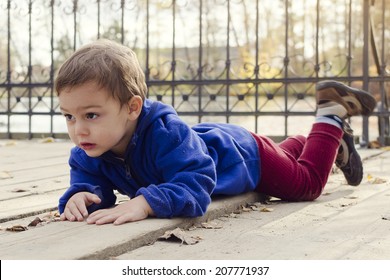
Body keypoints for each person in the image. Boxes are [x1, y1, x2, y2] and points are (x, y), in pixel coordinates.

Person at [55, 39, 377, 225]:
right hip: (217, 143)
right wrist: (82, 197)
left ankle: (330, 116)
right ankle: (315, 143)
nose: (78, 129)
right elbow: (91, 186)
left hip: (246, 157)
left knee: (305, 183)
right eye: (69, 116)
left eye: (92, 115)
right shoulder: (88, 150)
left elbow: (196, 187)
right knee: (293, 158)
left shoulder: (166, 133)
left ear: (132, 108)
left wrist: (146, 203)